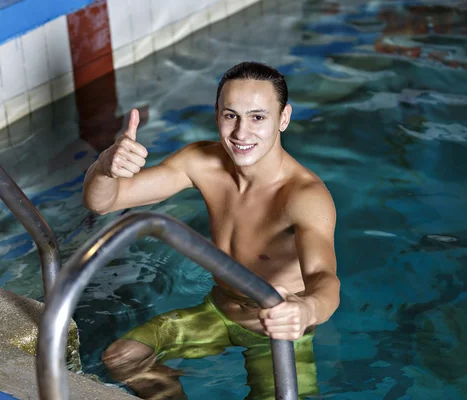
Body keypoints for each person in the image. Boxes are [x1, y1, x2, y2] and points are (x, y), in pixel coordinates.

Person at [82, 61, 340, 400]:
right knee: (125, 357)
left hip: (276, 333)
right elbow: (103, 202)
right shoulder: (201, 162)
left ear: (284, 118)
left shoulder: (305, 196)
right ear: (217, 113)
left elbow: (325, 278)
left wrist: (306, 310)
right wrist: (105, 167)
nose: (241, 133)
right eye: (231, 115)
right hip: (217, 311)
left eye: (258, 117)